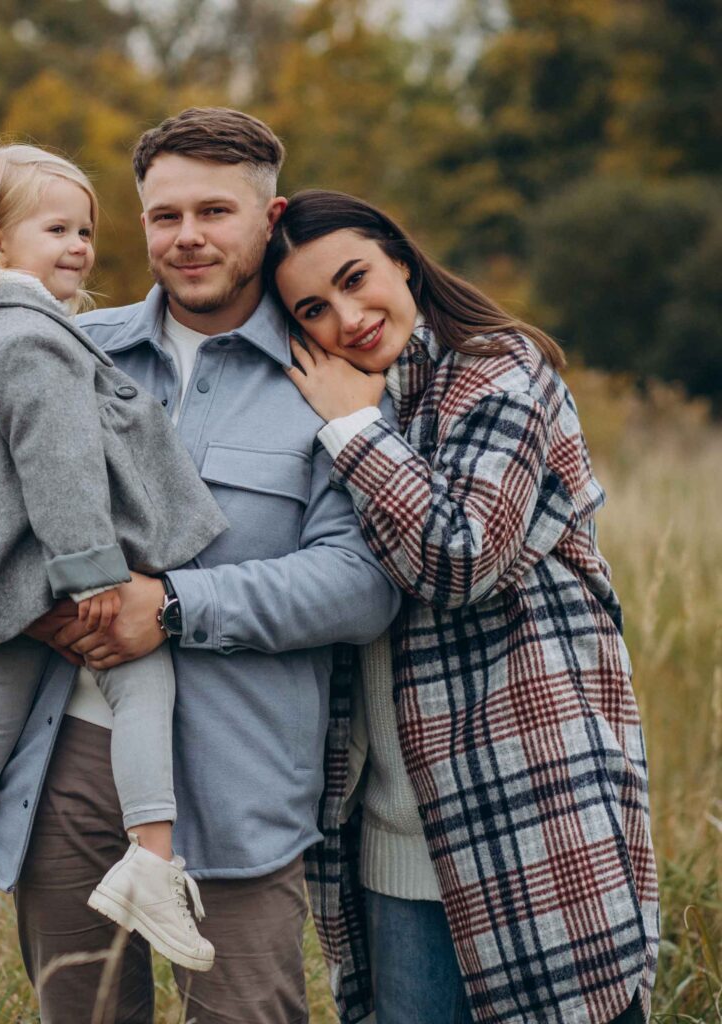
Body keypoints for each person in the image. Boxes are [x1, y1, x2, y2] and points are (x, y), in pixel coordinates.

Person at [0, 110, 402, 1023]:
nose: (189, 237)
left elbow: (362, 584)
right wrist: (26, 605)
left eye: (216, 211)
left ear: (268, 216)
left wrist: (167, 606)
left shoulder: (325, 375)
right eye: (165, 215)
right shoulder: (66, 350)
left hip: (240, 777)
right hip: (68, 764)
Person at [264, 189, 659, 1024]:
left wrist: (354, 435)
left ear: (401, 259)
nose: (349, 315)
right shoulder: (332, 404)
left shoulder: (498, 372)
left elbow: (462, 556)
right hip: (394, 852)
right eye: (314, 308)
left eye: (355, 277)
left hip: (535, 828)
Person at [0, 142, 232, 992]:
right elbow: (58, 463)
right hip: (60, 567)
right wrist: (96, 574)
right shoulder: (33, 338)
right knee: (143, 674)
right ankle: (151, 860)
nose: (79, 246)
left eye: (87, 230)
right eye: (57, 228)